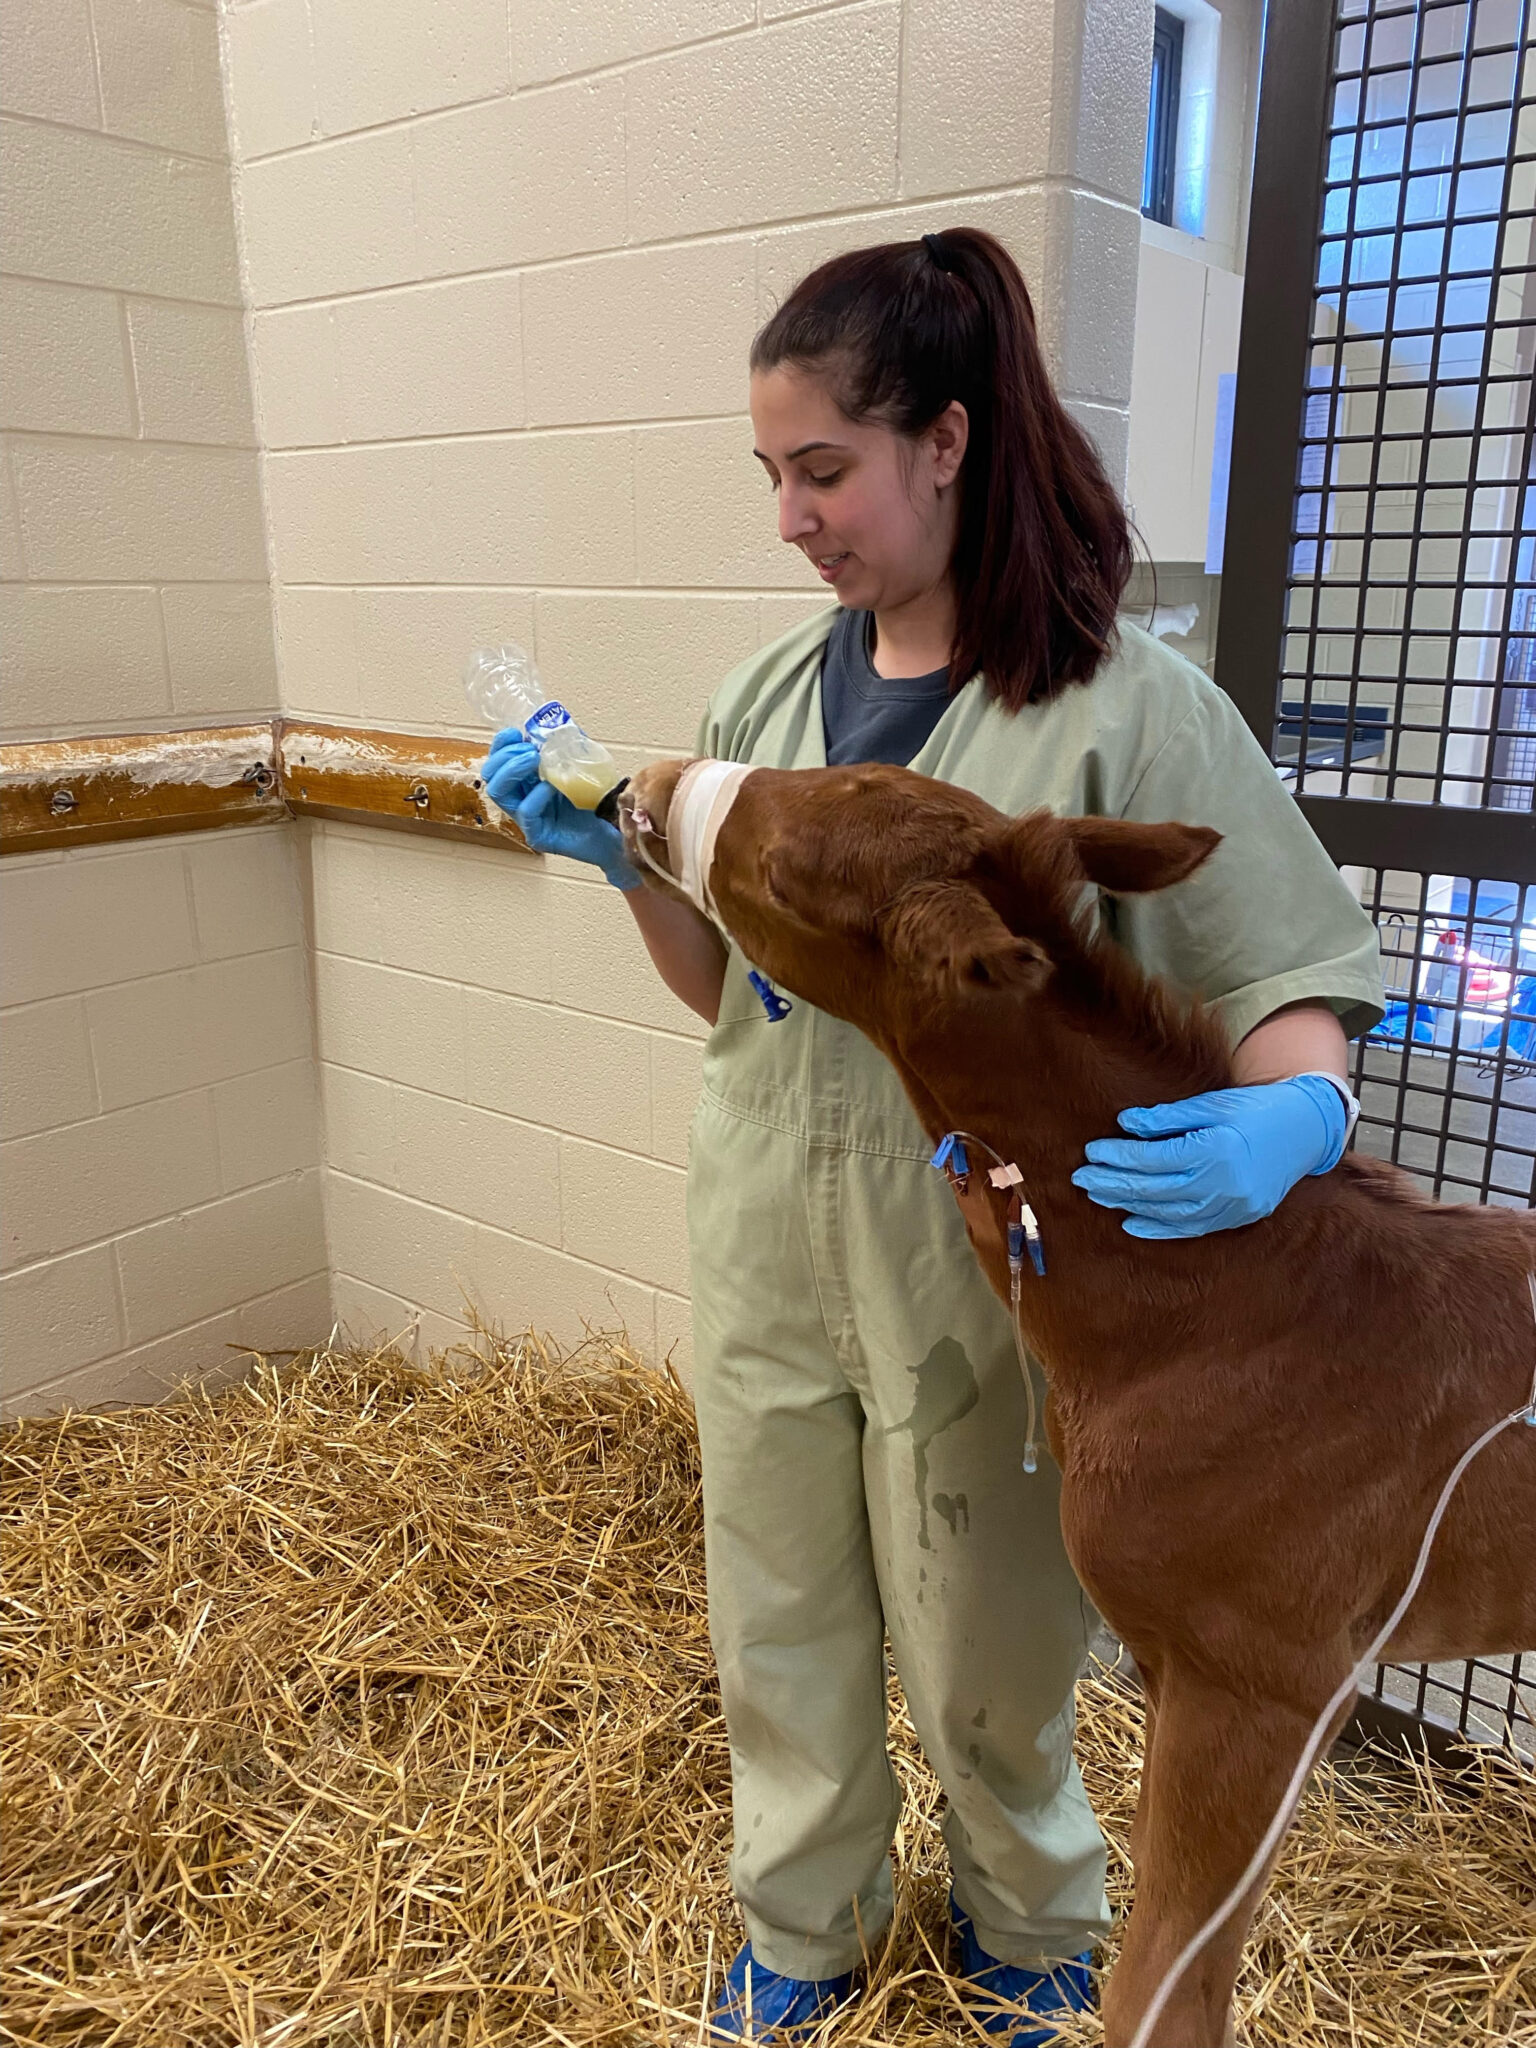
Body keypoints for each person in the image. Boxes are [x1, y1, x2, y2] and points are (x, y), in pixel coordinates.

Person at [482, 228, 1383, 2045]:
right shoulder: (759, 707)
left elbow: (1286, 968)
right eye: (774, 479)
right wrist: (618, 866)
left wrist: (1298, 1113)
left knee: (989, 1612)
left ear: (948, 443)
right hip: (764, 1208)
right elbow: (731, 990)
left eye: (824, 471)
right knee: (781, 1599)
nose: (794, 519)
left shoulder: (1128, 706)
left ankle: (1032, 1921)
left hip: (991, 1245)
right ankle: (801, 1930)